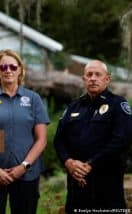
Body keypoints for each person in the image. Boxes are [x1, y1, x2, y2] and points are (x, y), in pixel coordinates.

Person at [0, 49, 50, 214]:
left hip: (26, 175)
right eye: (3, 67)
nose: (8, 70)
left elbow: (41, 140)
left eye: (12, 66)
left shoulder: (33, 99)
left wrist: (23, 167)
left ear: (20, 70)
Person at [54, 60, 131, 213]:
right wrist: (69, 163)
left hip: (107, 186)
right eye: (89, 75)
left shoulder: (118, 104)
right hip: (77, 186)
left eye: (98, 74)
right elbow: (59, 140)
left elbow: (121, 140)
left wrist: (90, 164)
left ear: (107, 79)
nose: (93, 78)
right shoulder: (73, 107)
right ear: (83, 79)